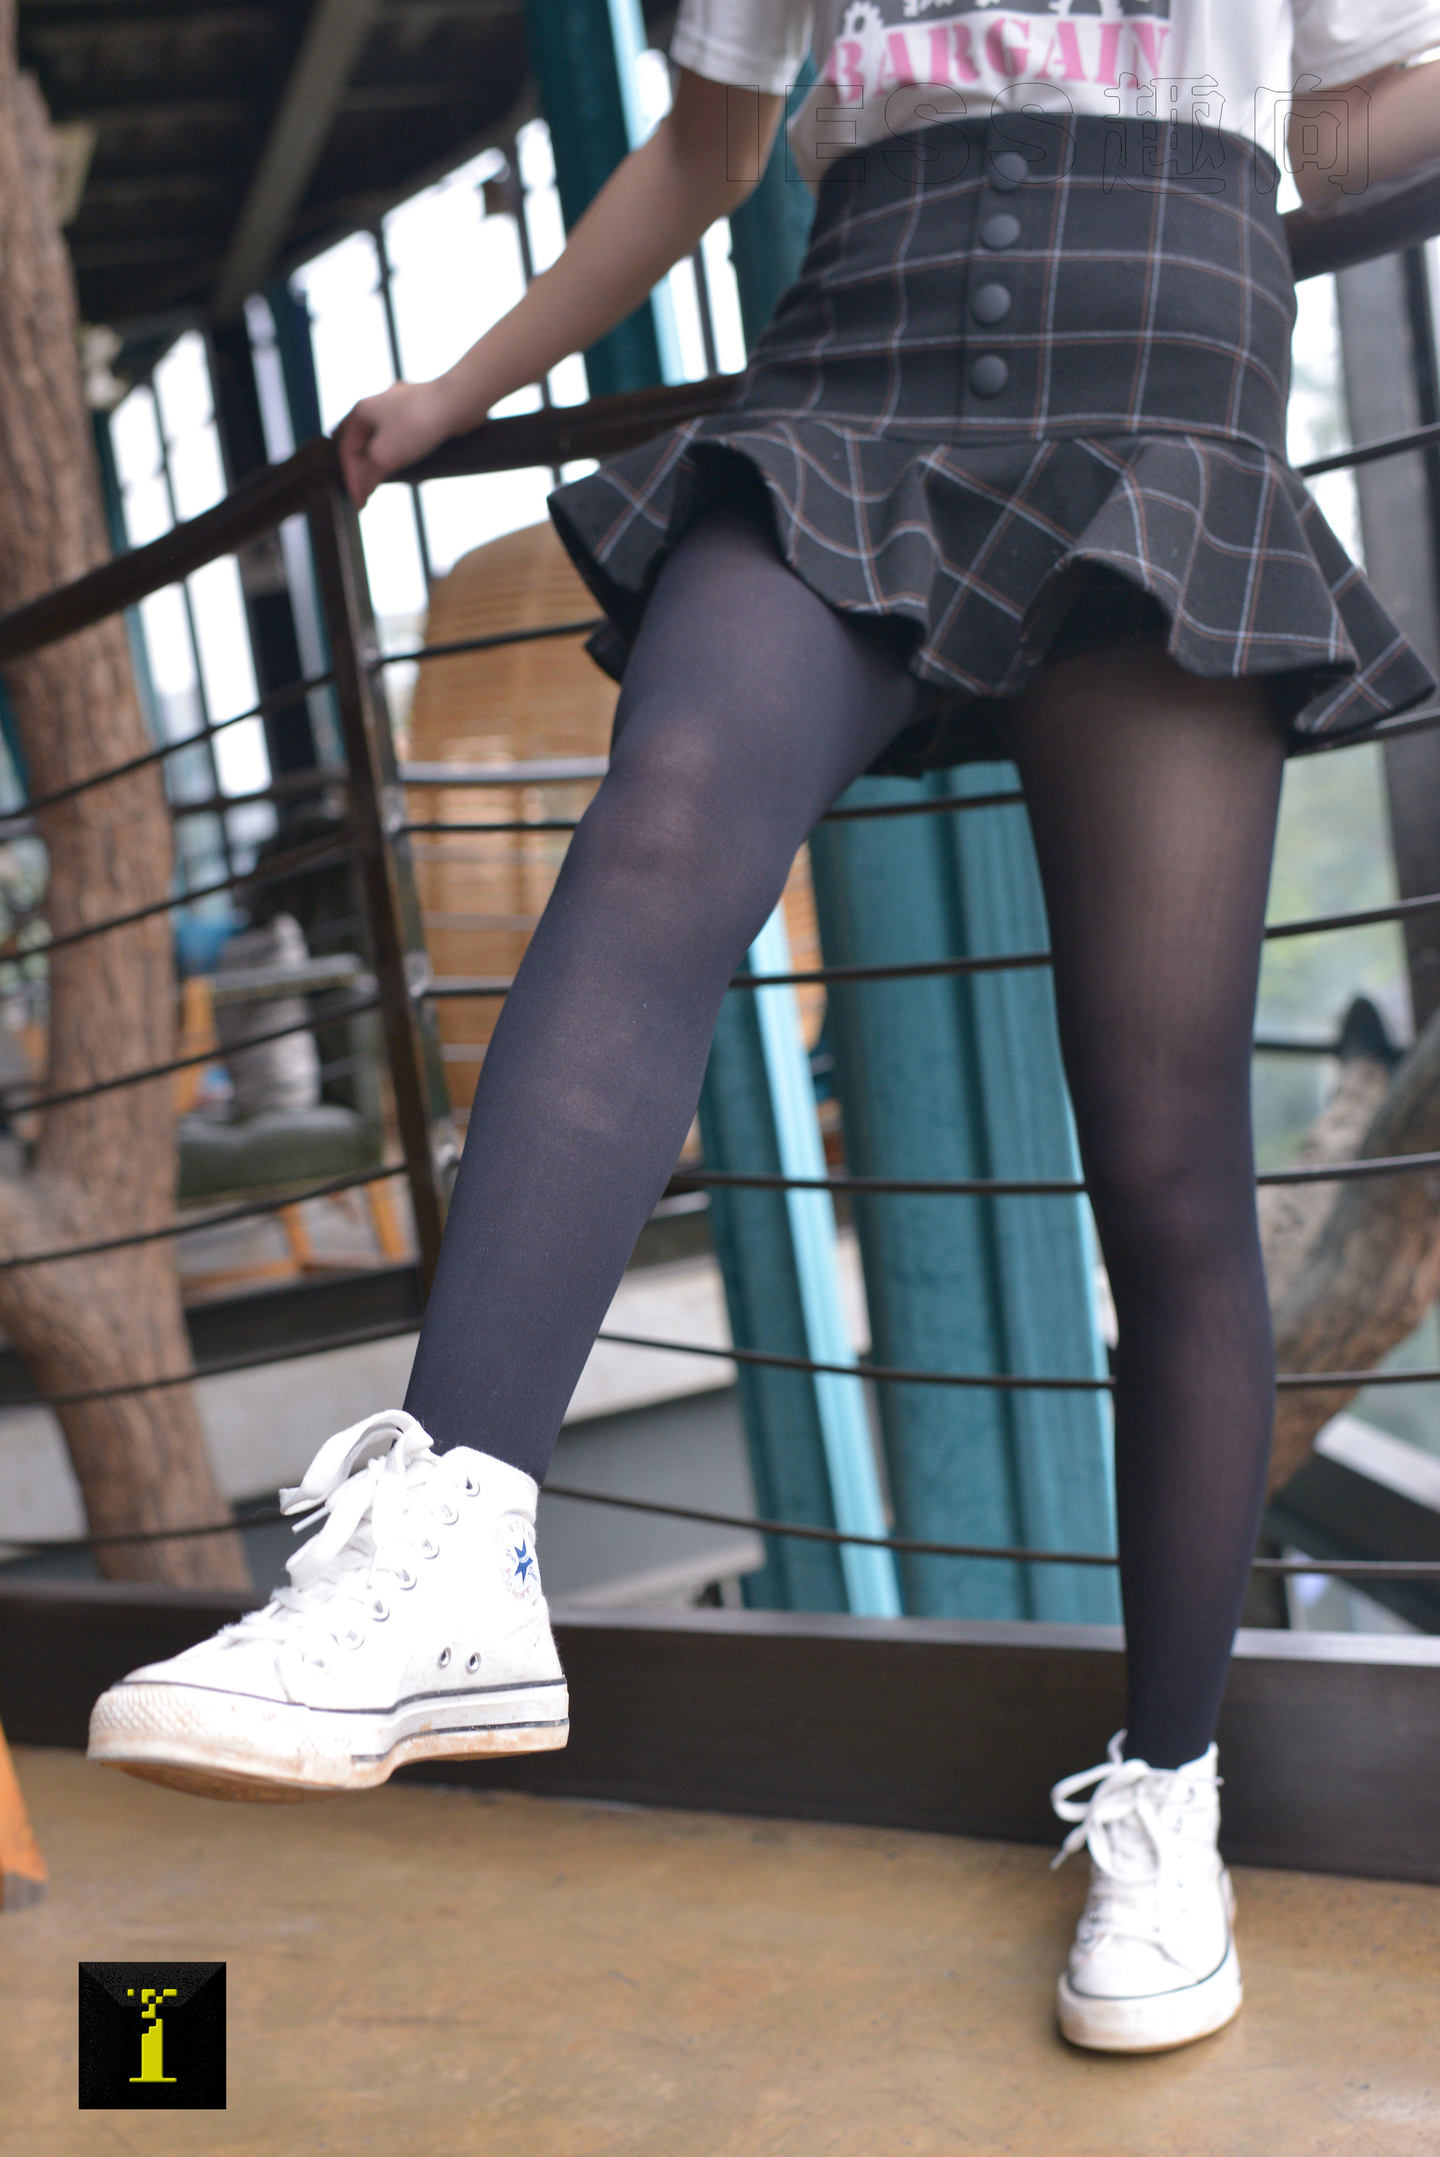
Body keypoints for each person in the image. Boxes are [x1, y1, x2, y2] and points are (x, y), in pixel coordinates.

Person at [89, 2, 1440, 2055]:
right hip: (850, 376)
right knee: (658, 827)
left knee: (1167, 1160)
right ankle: (443, 1542)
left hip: (1167, 371)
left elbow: (1378, 92)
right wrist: (455, 388)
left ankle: (1171, 1797)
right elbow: (705, 149)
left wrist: (1240, 144)